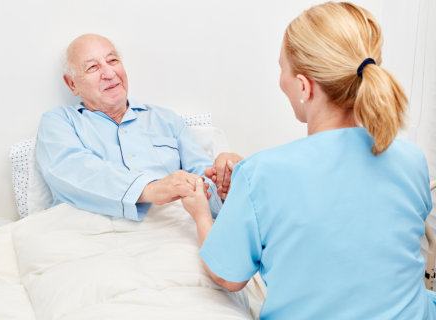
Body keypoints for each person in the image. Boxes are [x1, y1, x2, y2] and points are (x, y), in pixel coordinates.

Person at [182, 2, 435, 319]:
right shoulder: (411, 159)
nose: (280, 80)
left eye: (281, 69)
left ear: (304, 86)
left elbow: (228, 277)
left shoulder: (262, 175)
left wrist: (201, 213)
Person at [35, 33, 222, 221]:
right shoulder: (58, 122)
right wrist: (147, 189)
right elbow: (73, 171)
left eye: (113, 60)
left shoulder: (167, 120)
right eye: (93, 67)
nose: (109, 73)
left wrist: (225, 185)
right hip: (87, 228)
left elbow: (205, 185)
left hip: (170, 227)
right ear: (72, 84)